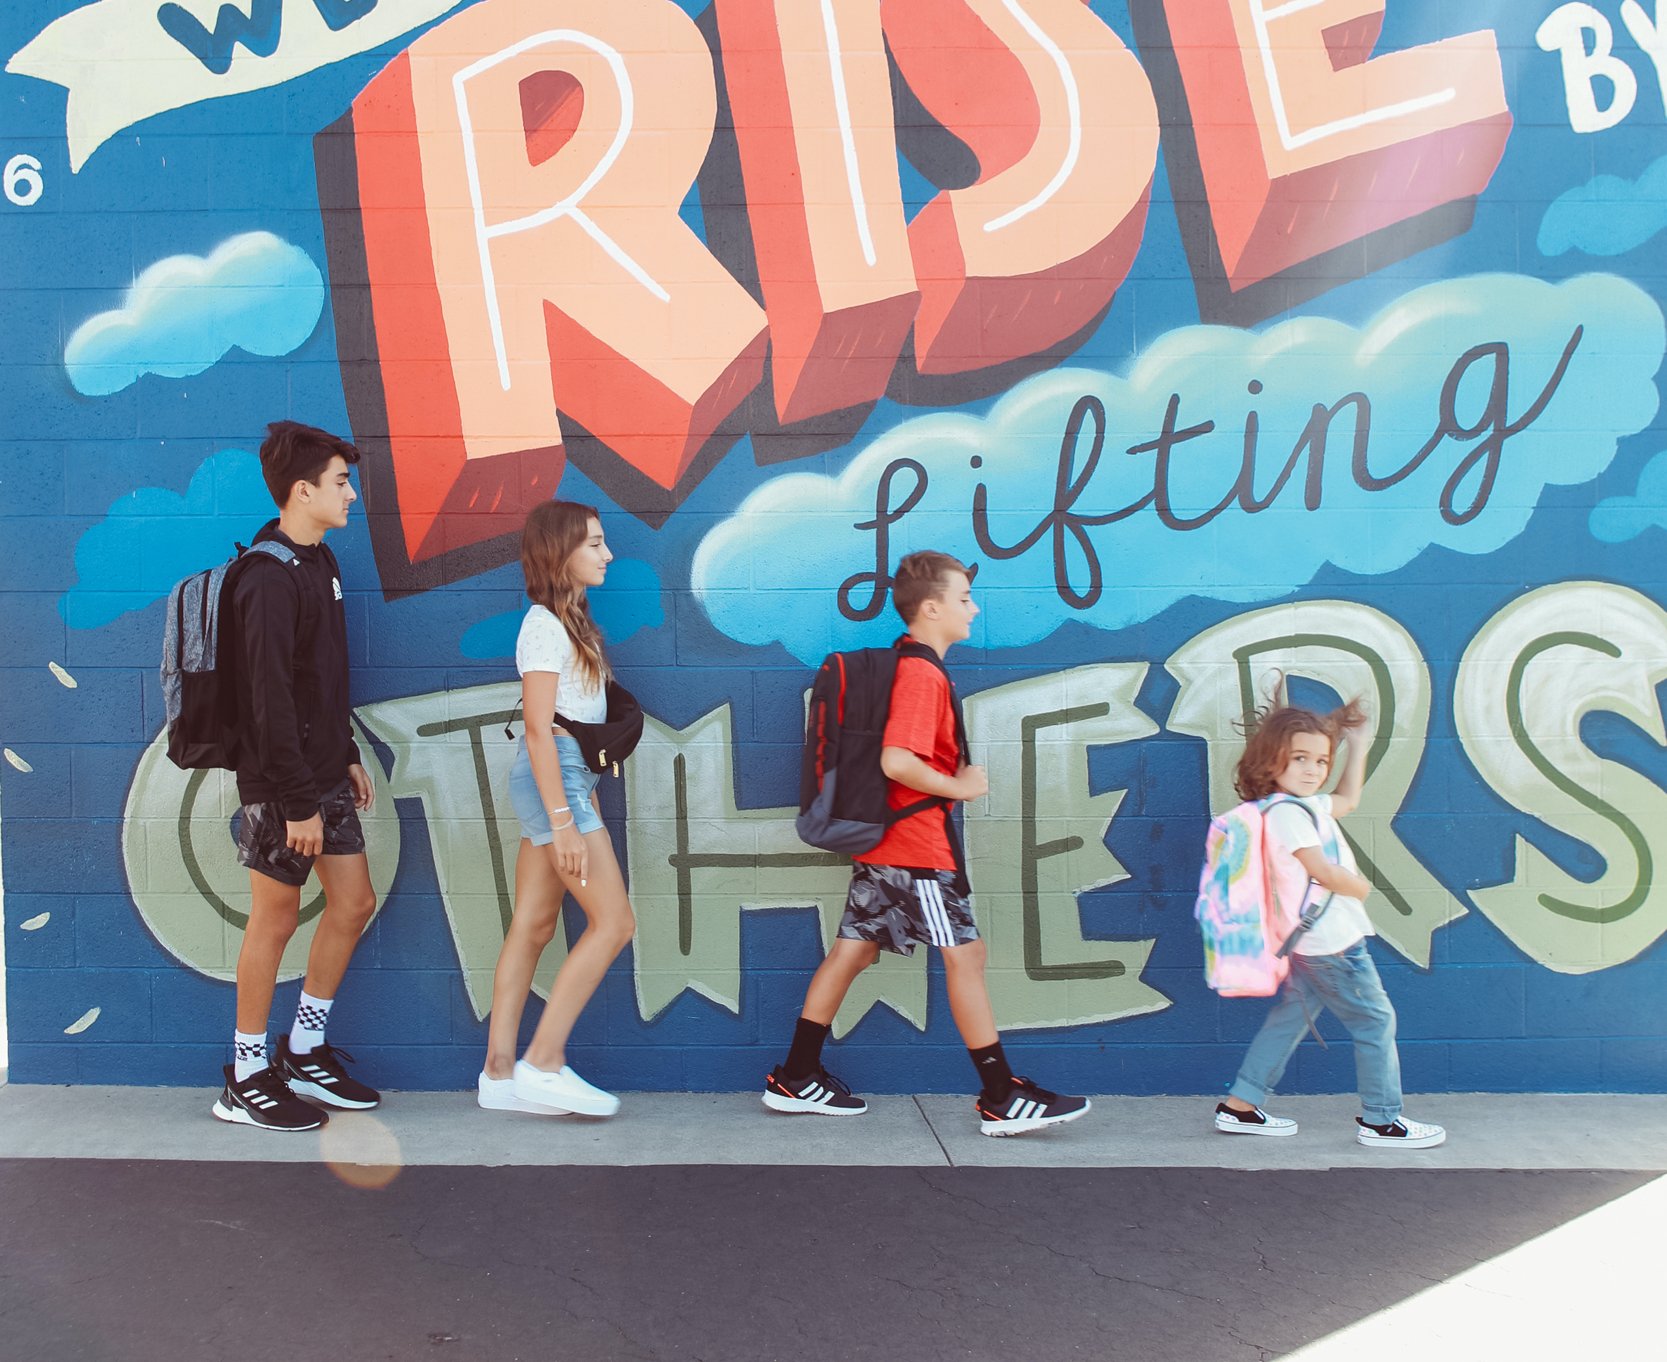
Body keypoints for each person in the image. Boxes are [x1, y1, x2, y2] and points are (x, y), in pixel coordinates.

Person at [763, 551, 1090, 1135]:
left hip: (887, 845)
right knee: (966, 956)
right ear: (932, 607)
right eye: (964, 599)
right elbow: (897, 760)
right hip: (916, 849)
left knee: (855, 949)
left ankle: (796, 1073)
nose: (974, 607)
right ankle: (999, 1095)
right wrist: (958, 785)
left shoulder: (912, 667)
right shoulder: (922, 674)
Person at [211, 421, 380, 1131]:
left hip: (320, 773)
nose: (351, 493)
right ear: (302, 490)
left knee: (353, 903)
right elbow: (267, 701)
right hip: (282, 788)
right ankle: (246, 1075)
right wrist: (296, 801)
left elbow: (322, 679)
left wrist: (342, 750)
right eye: (341, 482)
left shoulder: (323, 565)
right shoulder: (265, 579)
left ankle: (303, 1047)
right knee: (276, 918)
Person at [1214, 698, 1446, 1148]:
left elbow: (1348, 800)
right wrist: (1360, 887)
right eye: (1299, 758)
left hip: (1309, 943)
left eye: (1321, 760)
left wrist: (1355, 746)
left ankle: (1240, 1105)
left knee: (1288, 1021)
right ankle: (1382, 1120)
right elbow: (1321, 870)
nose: (1313, 769)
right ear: (1271, 760)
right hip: (1332, 943)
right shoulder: (1286, 814)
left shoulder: (1299, 807)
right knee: (1375, 1022)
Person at [478, 500, 635, 1118]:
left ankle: (498, 1073)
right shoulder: (543, 625)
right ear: (560, 551)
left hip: (563, 781)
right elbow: (539, 731)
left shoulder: (569, 623)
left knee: (535, 925)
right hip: (556, 784)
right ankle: (542, 1061)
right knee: (614, 922)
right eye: (594, 544)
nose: (607, 554)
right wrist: (565, 820)